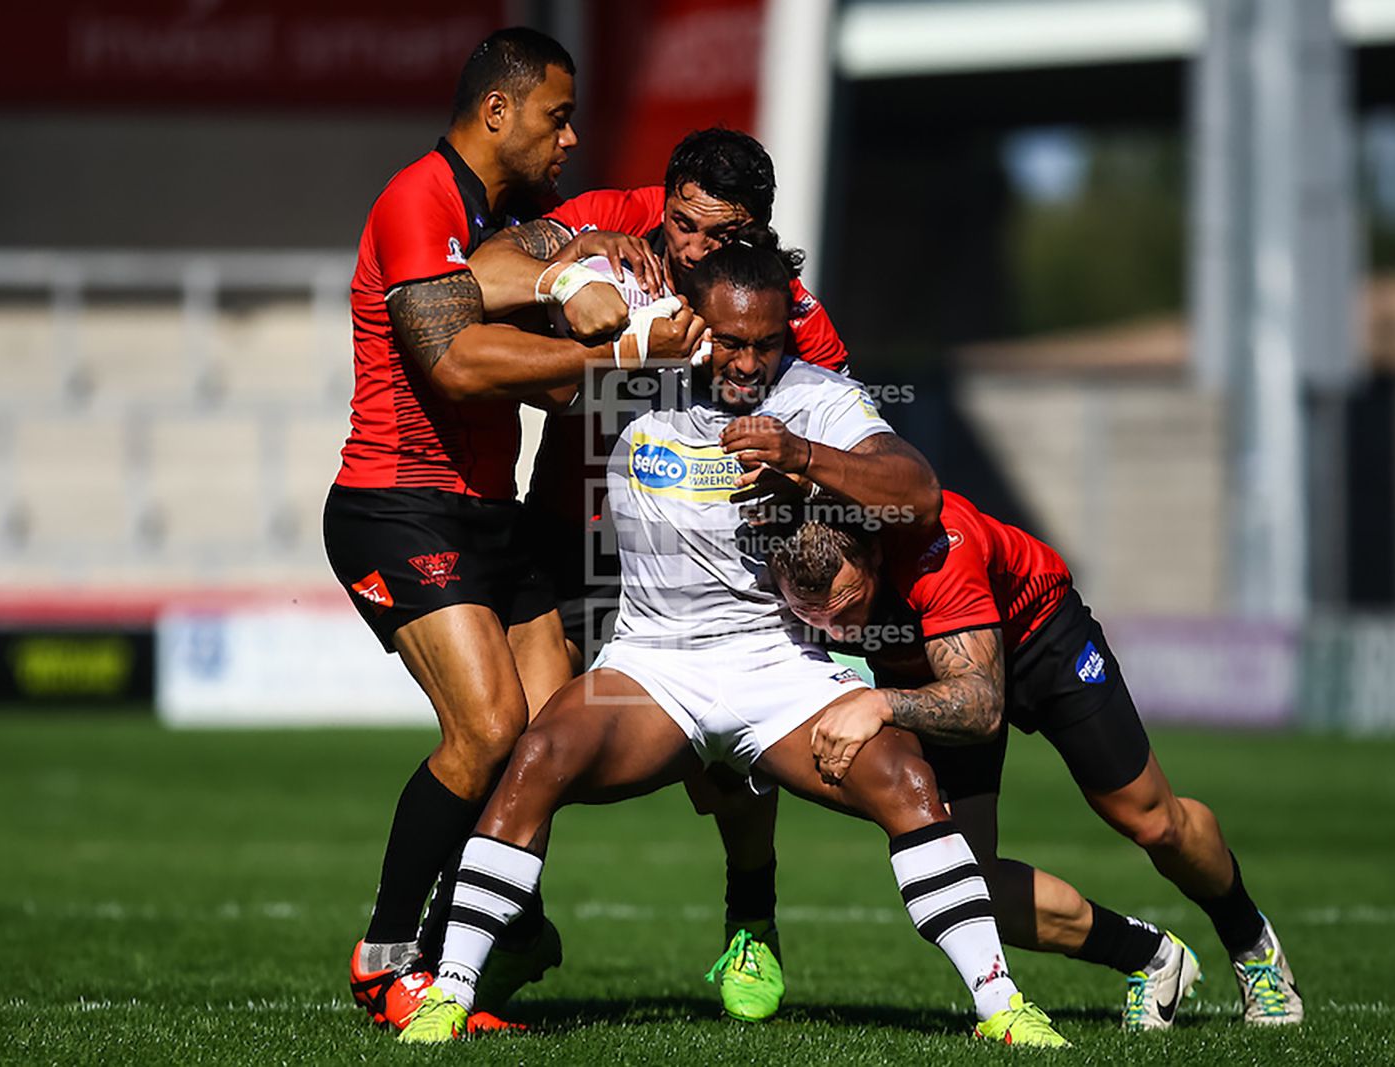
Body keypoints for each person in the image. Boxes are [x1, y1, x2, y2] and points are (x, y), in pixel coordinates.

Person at [394, 242, 1068, 1049]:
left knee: (906, 780)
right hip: (653, 665)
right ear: (692, 324)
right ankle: (451, 991)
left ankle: (1001, 1004)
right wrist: (566, 275)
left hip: (776, 665)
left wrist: (803, 456)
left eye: (767, 342)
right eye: (731, 341)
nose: (749, 362)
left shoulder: (820, 399)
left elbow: (918, 489)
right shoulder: (628, 378)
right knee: (535, 757)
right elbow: (473, 336)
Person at [413, 130, 853, 1022]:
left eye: (712, 233)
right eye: (679, 221)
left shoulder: (790, 316)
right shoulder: (616, 226)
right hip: (573, 533)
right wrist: (566, 264)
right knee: (526, 739)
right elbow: (483, 266)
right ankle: (517, 926)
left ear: (756, 234)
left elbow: (832, 430)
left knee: (727, 764)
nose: (687, 246)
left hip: (712, 559)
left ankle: (751, 920)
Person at [325, 27, 706, 1031]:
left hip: (485, 513)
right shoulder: (419, 199)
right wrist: (624, 349)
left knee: (544, 741)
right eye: (556, 115)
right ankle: (384, 961)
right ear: (497, 111)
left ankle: (497, 931)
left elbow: (580, 241)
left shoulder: (499, 214)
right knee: (488, 727)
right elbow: (450, 362)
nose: (571, 137)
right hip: (398, 504)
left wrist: (642, 252)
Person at [763, 493, 1305, 1027]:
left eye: (849, 607)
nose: (839, 633)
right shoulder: (780, 572)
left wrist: (877, 702)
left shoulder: (937, 549)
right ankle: (1152, 957)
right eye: (816, 617)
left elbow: (981, 705)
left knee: (1153, 821)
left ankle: (1252, 944)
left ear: (874, 554)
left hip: (1041, 641)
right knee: (965, 881)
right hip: (927, 675)